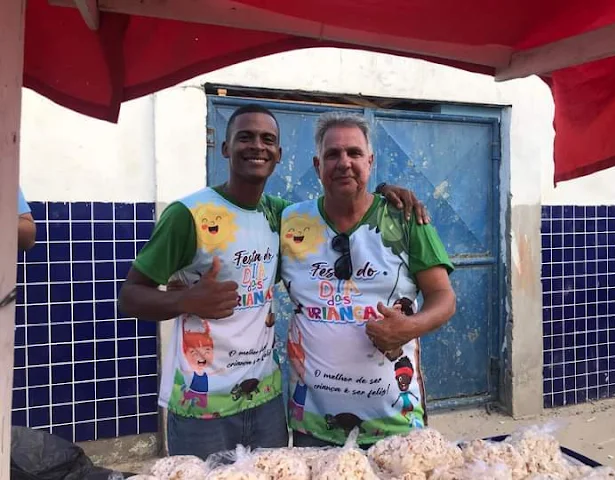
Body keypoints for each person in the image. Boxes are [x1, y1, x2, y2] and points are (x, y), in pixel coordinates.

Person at [117, 104, 428, 459]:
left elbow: (340, 201)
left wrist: (384, 191)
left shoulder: (283, 217)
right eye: (245, 137)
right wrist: (185, 301)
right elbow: (130, 296)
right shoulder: (188, 215)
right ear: (225, 148)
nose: (257, 146)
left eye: (267, 139)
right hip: (202, 405)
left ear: (279, 154)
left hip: (265, 402)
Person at [279, 112, 456, 448]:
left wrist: (410, 327)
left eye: (354, 153)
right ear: (317, 165)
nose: (344, 162)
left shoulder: (406, 220)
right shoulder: (289, 222)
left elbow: (443, 297)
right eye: (333, 154)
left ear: (370, 162)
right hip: (314, 425)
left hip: (395, 423)